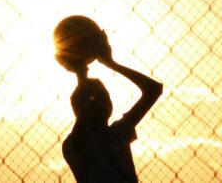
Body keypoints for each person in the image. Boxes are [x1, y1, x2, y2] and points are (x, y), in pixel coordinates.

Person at [59, 25, 162, 183]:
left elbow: (154, 89)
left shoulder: (118, 132)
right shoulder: (75, 145)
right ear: (80, 110)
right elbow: (84, 116)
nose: (104, 101)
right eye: (100, 97)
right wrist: (81, 73)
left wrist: (111, 63)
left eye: (105, 96)